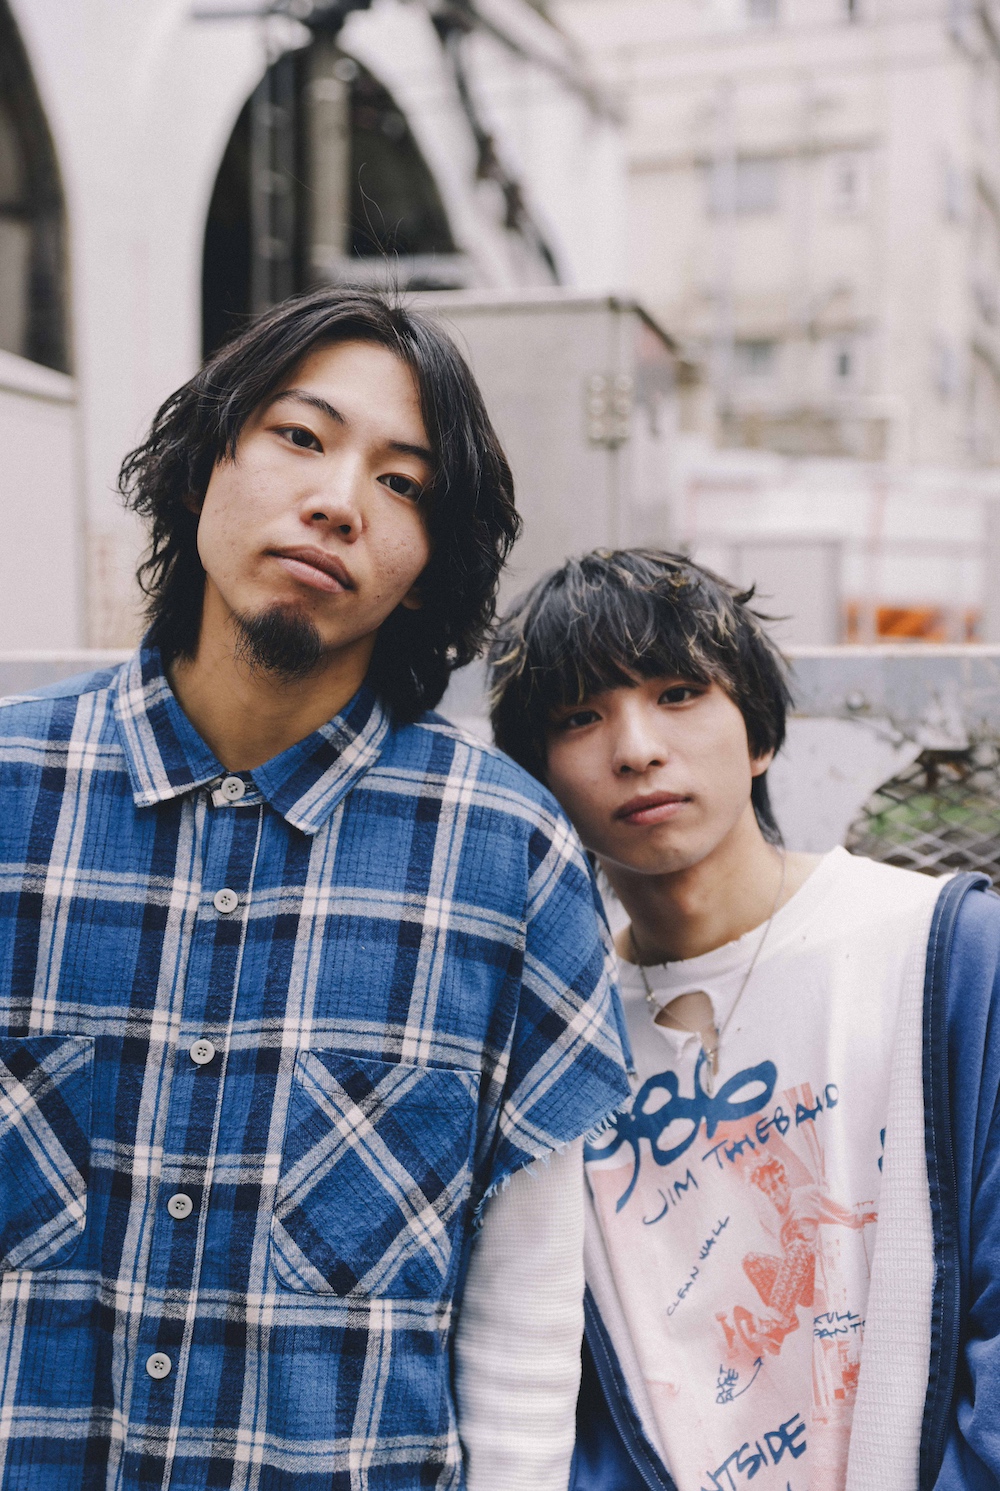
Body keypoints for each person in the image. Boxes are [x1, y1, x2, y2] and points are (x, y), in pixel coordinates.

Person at [0, 291, 630, 1491]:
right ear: (205, 464)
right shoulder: (12, 790)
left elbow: (524, 1310)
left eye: (403, 483)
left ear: (430, 565)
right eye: (300, 435)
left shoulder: (504, 854)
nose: (340, 500)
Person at [488, 547, 1000, 1491]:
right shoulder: (554, 1032)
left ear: (759, 732)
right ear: (540, 779)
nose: (636, 748)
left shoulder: (948, 950)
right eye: (579, 717)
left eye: (680, 693)